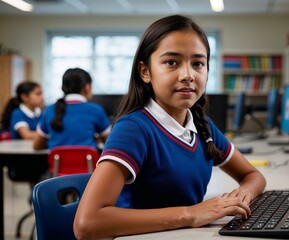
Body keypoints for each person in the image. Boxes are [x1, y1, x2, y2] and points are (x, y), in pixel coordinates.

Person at [74, 15, 266, 239]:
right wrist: (190, 214)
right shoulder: (134, 129)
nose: (188, 75)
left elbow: (254, 176)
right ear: (145, 72)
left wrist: (244, 193)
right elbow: (87, 223)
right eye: (171, 62)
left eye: (198, 64)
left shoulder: (202, 126)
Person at [33, 68, 111, 150]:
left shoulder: (49, 110)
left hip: (57, 162)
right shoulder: (96, 110)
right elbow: (109, 143)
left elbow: (37, 146)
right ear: (87, 87)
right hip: (87, 162)